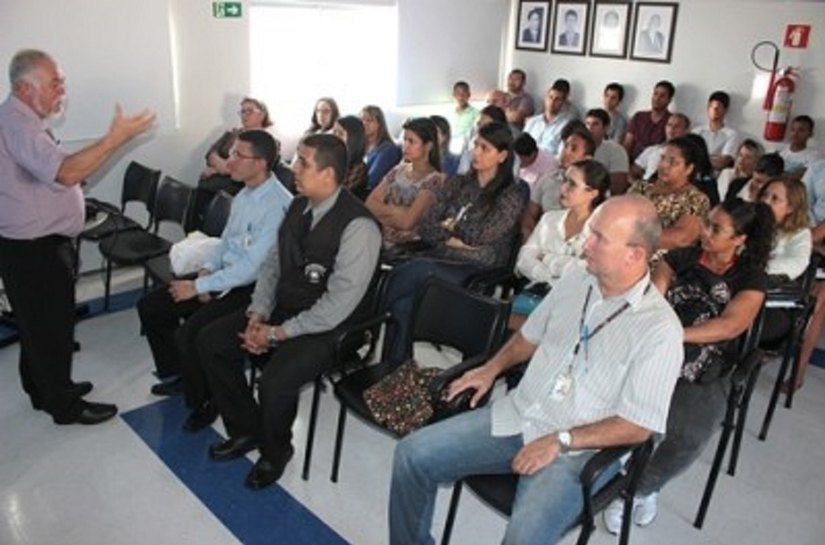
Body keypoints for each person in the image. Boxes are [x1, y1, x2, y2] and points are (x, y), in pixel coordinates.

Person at [389, 195, 684, 545]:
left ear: (634, 254)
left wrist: (561, 440)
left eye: (599, 238)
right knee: (412, 455)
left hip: (576, 451)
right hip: (521, 413)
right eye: (590, 233)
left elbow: (638, 425)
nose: (585, 244)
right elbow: (529, 336)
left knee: (523, 538)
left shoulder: (660, 331)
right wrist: (491, 368)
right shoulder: (577, 279)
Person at [197, 134, 382, 489]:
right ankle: (247, 429)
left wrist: (277, 334)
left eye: (303, 163)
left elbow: (338, 305)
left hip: (333, 328)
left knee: (276, 381)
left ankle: (276, 451)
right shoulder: (298, 206)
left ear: (328, 174)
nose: (294, 169)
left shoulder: (359, 227)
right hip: (286, 308)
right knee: (211, 342)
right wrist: (258, 313)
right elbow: (272, 265)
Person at [0, 49, 154, 424]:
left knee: (38, 326)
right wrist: (114, 139)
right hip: (34, 250)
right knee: (51, 327)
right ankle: (64, 405)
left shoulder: (22, 120)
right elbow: (65, 173)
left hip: (28, 245)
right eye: (54, 84)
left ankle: (42, 389)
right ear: (25, 87)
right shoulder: (19, 123)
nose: (62, 91)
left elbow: (48, 173)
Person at [604, 199, 772, 533]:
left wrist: (675, 335)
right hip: (657, 348)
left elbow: (729, 327)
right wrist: (661, 337)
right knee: (616, 400)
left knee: (689, 433)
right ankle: (614, 465)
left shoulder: (751, 279)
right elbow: (655, 294)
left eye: (716, 229)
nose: (705, 232)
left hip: (708, 363)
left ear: (740, 239)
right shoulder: (681, 258)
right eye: (707, 223)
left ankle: (640, 489)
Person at [137, 130, 293, 417]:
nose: (229, 161)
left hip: (253, 287)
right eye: (230, 153)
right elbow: (225, 242)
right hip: (224, 275)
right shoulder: (245, 193)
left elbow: (253, 268)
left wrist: (200, 287)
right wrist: (205, 274)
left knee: (192, 335)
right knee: (152, 306)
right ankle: (179, 375)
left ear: (260, 163)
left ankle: (205, 403)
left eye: (237, 155)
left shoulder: (277, 206)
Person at [381, 122, 525, 364]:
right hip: (442, 256)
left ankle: (367, 317)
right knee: (404, 303)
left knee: (417, 270)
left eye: (484, 148)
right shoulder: (457, 183)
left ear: (502, 155)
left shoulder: (511, 194)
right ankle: (395, 370)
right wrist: (457, 237)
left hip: (479, 268)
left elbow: (484, 236)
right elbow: (427, 226)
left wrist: (449, 225)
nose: (475, 152)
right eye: (475, 145)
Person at [511, 159, 610, 327]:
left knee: (536, 327)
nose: (563, 188)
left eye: (572, 184)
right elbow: (524, 259)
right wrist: (548, 276)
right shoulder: (550, 219)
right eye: (564, 180)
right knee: (504, 321)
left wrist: (546, 258)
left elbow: (586, 270)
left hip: (574, 305)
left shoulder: (602, 230)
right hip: (536, 294)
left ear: (592, 193)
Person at [629, 136, 711, 260]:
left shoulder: (696, 199)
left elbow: (681, 238)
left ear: (689, 169)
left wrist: (629, 236)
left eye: (673, 162)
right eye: (662, 159)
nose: (664, 166)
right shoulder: (641, 188)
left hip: (661, 266)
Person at [367, 117, 443, 245]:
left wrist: (384, 212)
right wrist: (398, 211)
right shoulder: (398, 170)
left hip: (407, 247)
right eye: (405, 140)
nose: (405, 146)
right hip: (378, 237)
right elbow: (370, 204)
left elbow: (407, 222)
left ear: (428, 146)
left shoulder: (434, 180)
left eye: (412, 141)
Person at [523, 121, 595, 239]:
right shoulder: (547, 179)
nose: (566, 152)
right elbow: (530, 213)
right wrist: (529, 233)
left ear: (587, 158)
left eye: (573, 149)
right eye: (565, 146)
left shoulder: (592, 189)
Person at [623, 80, 675, 162]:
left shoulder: (672, 121)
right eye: (655, 94)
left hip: (655, 165)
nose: (657, 98)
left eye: (662, 96)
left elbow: (671, 148)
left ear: (669, 100)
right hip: (632, 162)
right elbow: (627, 143)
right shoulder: (639, 116)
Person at [632, 112, 690, 181]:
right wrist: (638, 185)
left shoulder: (688, 155)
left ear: (686, 131)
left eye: (677, 126)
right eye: (669, 125)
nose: (672, 129)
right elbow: (633, 171)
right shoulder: (652, 150)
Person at [584, 108, 630, 195]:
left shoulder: (616, 151)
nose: (589, 128)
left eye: (595, 124)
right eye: (587, 124)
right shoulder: (576, 147)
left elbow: (618, 188)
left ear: (605, 128)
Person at [524, 80, 577, 154]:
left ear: (563, 102)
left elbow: (561, 154)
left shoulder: (566, 126)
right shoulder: (533, 121)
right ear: (545, 98)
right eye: (550, 97)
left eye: (557, 99)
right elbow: (521, 145)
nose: (552, 102)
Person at [692, 91, 739, 172]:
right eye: (711, 106)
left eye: (718, 107)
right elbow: (687, 155)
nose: (715, 110)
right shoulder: (696, 131)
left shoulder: (731, 134)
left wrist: (698, 158)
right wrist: (712, 159)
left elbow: (722, 163)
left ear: (726, 110)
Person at [362, 105, 402, 191]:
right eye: (362, 120)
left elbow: (372, 180)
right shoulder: (361, 146)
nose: (364, 123)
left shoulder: (388, 149)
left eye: (369, 120)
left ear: (379, 124)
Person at [331, 115, 369, 199]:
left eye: (340, 134)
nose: (335, 137)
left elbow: (337, 195)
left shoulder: (359, 167)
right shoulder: (333, 159)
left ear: (353, 138)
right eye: (334, 132)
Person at [450, 81, 479, 152]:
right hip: (451, 145)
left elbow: (475, 133)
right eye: (458, 93)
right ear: (453, 95)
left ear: (469, 95)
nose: (461, 97)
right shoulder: (450, 112)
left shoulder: (475, 113)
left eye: (464, 94)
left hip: (466, 147)